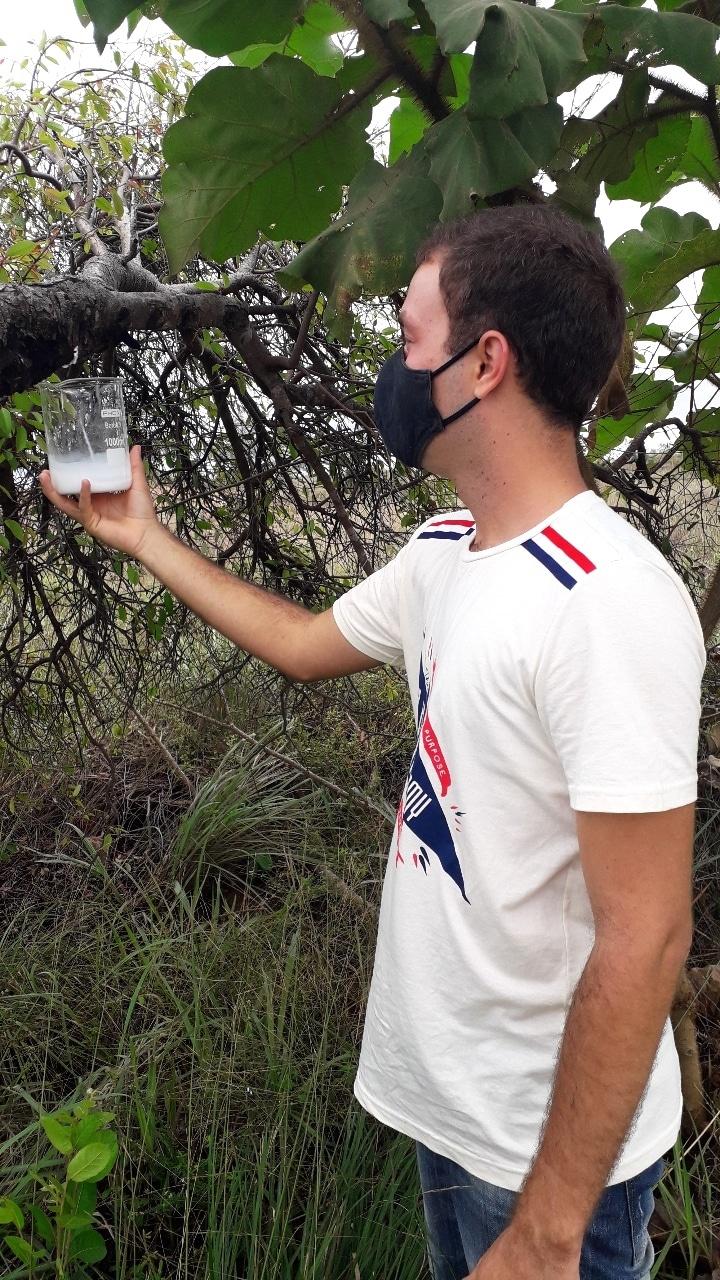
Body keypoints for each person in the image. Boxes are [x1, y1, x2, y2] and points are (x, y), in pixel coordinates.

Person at [38, 204, 706, 1280]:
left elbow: (647, 936)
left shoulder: (607, 601)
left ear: (486, 361)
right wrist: (144, 533)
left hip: (544, 1158)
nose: (394, 370)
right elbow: (305, 643)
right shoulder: (449, 549)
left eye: (409, 338)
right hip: (452, 1110)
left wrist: (547, 1228)